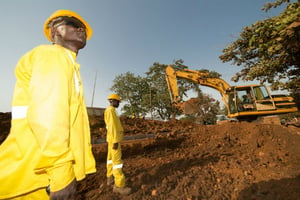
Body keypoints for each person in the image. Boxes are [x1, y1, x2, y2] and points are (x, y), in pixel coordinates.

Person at [0, 10, 96, 199]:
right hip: (32, 176)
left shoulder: (67, 64)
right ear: (54, 32)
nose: (80, 29)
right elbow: (48, 113)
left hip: (33, 175)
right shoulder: (53, 55)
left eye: (83, 28)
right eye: (71, 23)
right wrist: (61, 171)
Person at [104, 94, 132, 195]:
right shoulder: (111, 111)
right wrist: (115, 141)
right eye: (118, 102)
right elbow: (112, 127)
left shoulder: (109, 110)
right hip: (114, 140)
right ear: (113, 101)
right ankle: (119, 185)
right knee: (117, 162)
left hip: (111, 139)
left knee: (110, 160)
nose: (119, 104)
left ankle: (110, 178)